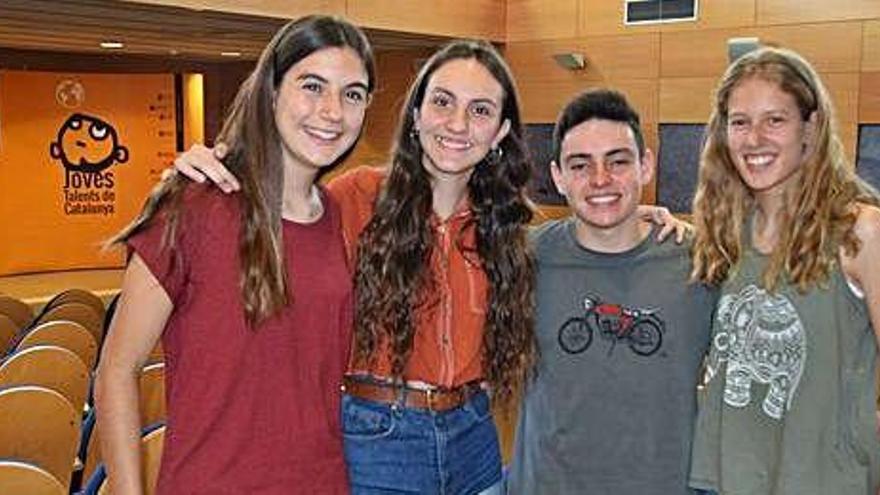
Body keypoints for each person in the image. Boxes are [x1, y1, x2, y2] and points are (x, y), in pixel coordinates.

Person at [94, 15, 375, 494]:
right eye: (312, 85)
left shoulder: (340, 218)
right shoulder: (194, 206)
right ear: (271, 92)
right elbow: (116, 371)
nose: (332, 111)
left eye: (352, 94)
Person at [688, 47, 880, 495]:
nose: (754, 139)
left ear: (810, 129)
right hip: (722, 480)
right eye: (740, 122)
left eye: (775, 120)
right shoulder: (725, 231)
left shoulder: (861, 232)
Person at [505, 89, 717, 495]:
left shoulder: (702, 262)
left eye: (618, 162)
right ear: (558, 177)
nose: (600, 179)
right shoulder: (523, 260)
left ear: (646, 165)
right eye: (580, 165)